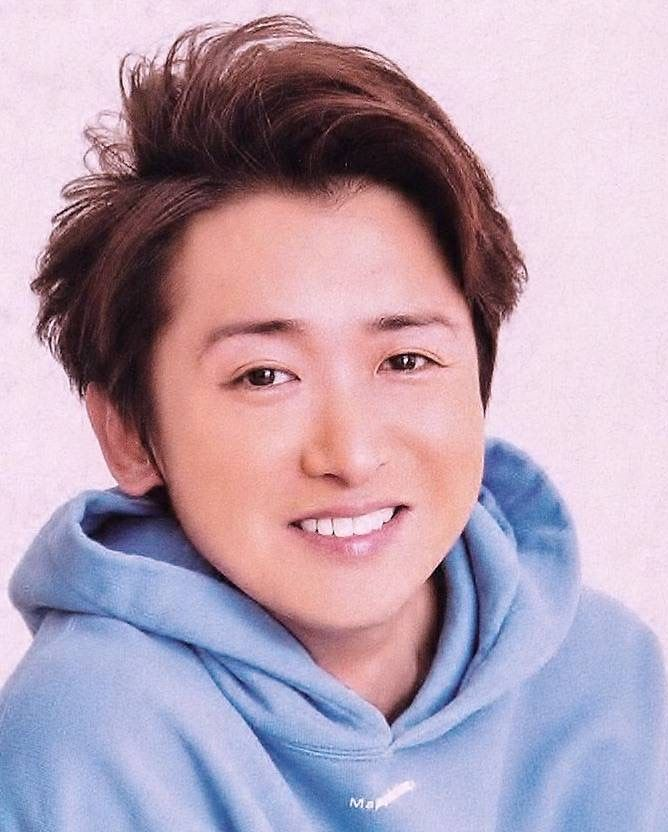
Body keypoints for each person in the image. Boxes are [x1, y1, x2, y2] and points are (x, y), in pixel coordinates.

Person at [0, 14, 665, 831]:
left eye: (406, 360)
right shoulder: (90, 737)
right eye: (264, 376)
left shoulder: (607, 676)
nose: (350, 453)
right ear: (131, 434)